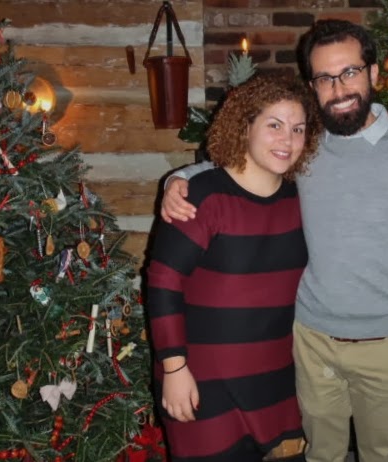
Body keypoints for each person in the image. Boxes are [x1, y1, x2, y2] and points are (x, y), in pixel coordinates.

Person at [160, 19, 388, 462]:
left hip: (387, 345)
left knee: (382, 455)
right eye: (324, 78)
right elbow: (243, 162)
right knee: (319, 455)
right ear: (313, 85)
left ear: (374, 73)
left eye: (349, 72)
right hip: (311, 342)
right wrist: (179, 178)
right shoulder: (306, 147)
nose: (339, 88)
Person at [146, 74, 323, 462]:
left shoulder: (301, 201)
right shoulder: (202, 196)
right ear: (245, 127)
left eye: (298, 129)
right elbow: (163, 284)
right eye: (274, 125)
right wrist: (174, 369)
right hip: (201, 381)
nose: (287, 140)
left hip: (276, 380)